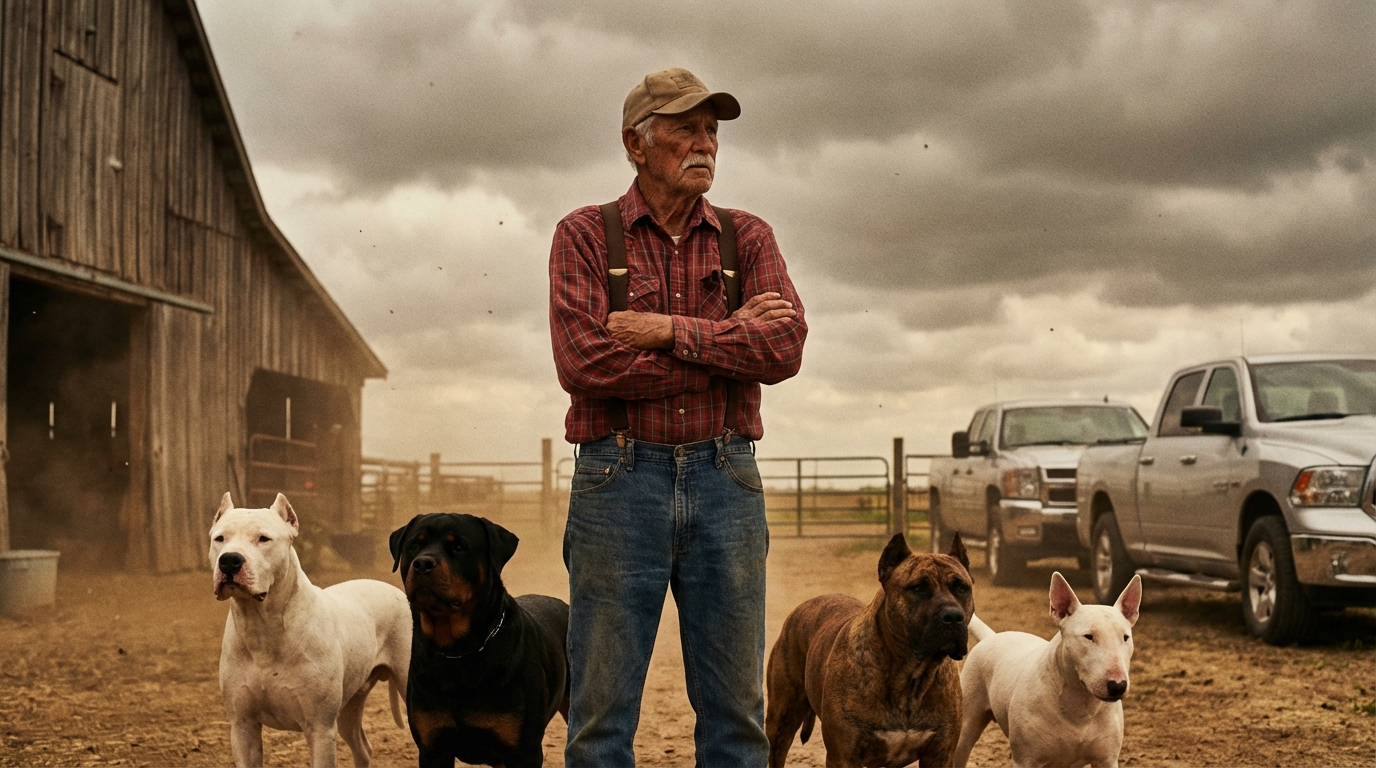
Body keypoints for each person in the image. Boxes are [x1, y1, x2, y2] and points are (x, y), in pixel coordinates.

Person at [547, 67, 807, 766]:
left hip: (727, 477)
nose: (706, 144)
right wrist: (729, 341)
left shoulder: (748, 236)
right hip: (618, 478)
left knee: (735, 714)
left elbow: (783, 349)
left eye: (713, 131)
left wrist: (665, 331)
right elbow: (585, 366)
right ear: (636, 143)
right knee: (600, 714)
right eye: (686, 128)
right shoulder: (582, 235)